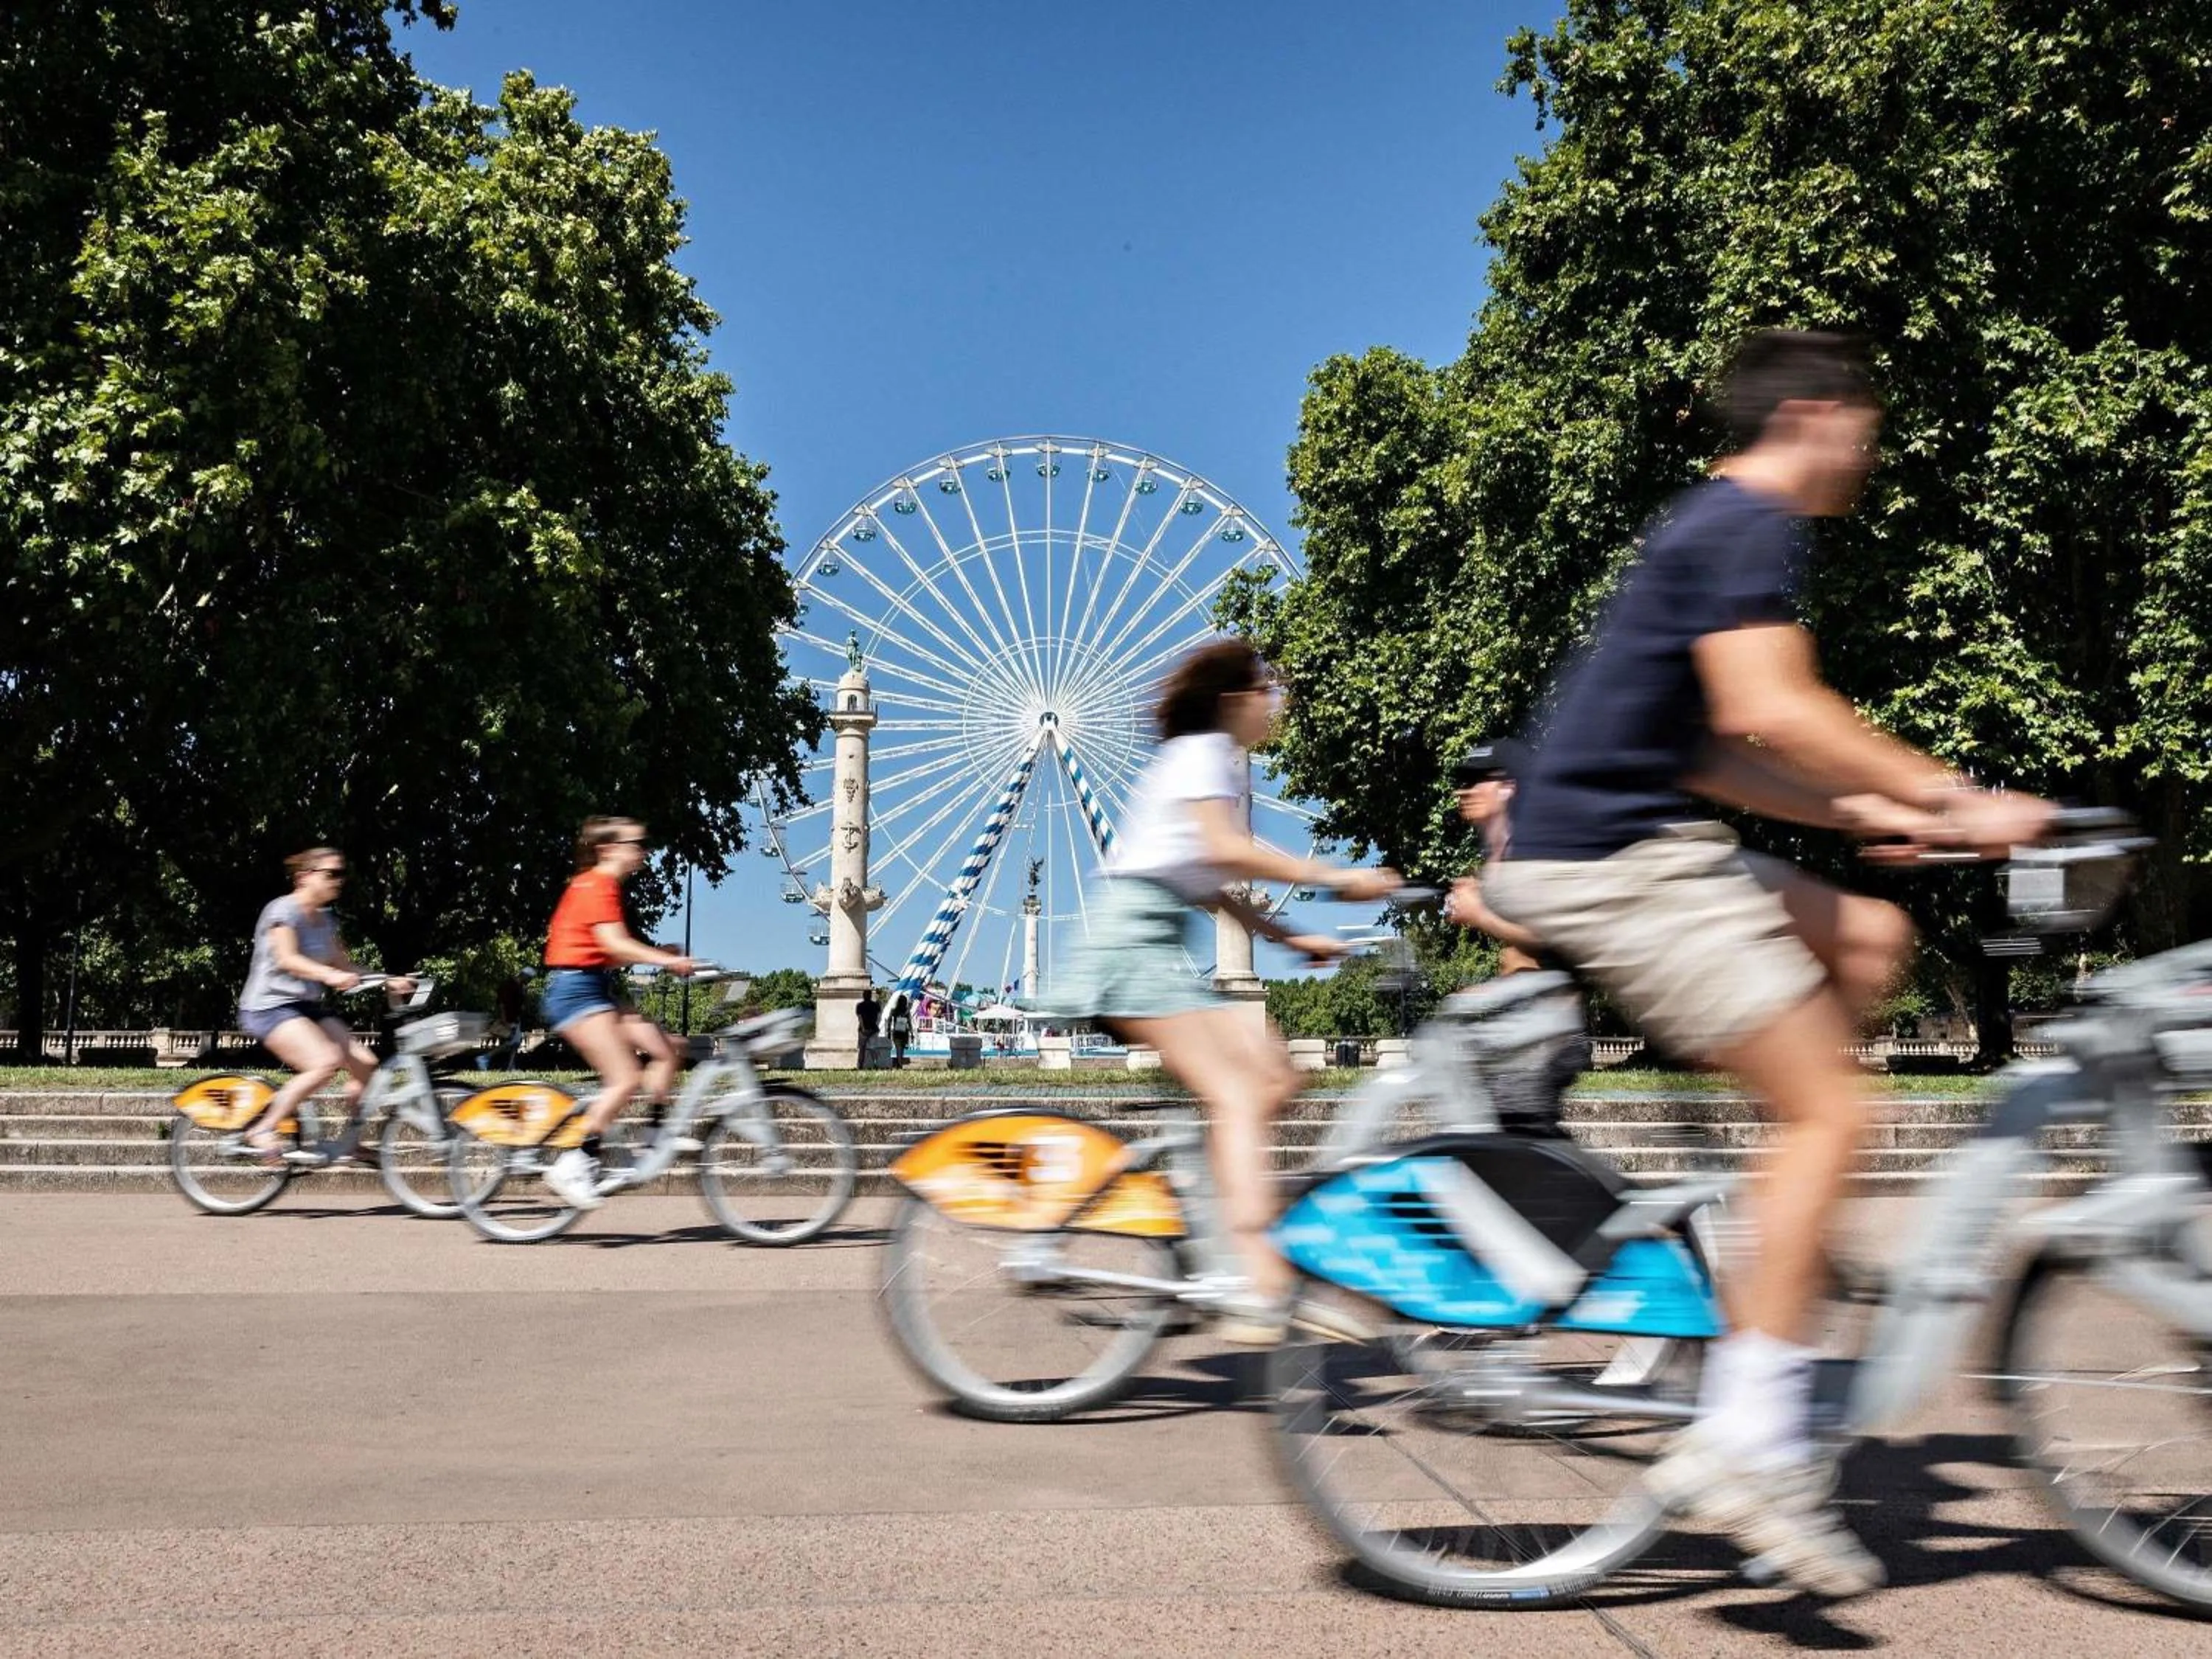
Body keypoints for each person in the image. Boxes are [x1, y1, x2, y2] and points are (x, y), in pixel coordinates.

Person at [1483, 330, 2049, 1596]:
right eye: (1868, 426)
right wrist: (1961, 795)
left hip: (1637, 827)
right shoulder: (1745, 521)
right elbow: (1774, 713)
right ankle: (1749, 1441)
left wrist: (1866, 818)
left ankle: (1772, 1212)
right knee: (1833, 1112)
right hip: (1613, 858)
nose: (1874, 451)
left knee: (1869, 933)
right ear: (1815, 416)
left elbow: (1707, 754)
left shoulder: (1710, 529)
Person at [1057, 638, 1400, 1341]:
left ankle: (1215, 1241)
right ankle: (1256, 1277)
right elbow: (1225, 851)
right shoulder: (1204, 753)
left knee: (1277, 1074)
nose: (1275, 704)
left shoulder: (1204, 762)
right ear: (1232, 702)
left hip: (1156, 942)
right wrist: (1337, 878)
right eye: (1265, 691)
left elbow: (1211, 883)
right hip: (1132, 945)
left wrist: (1290, 937)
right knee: (1239, 1092)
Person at [538, 816, 698, 1210]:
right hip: (575, 992)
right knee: (625, 1078)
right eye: (635, 843)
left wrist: (663, 954)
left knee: (667, 1048)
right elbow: (615, 943)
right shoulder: (596, 884)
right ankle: (573, 1161)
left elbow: (604, 948)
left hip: (596, 986)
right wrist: (663, 960)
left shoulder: (601, 887)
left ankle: (655, 1138)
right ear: (608, 850)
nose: (643, 850)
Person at [236, 847, 413, 1162]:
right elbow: (288, 959)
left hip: (306, 1006)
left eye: (342, 874)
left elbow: (345, 965)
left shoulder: (326, 921)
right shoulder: (283, 911)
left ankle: (350, 1141)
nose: (339, 881)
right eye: (331, 874)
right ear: (305, 877)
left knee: (366, 1064)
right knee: (324, 1063)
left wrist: (388, 979)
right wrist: (328, 975)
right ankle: (263, 1129)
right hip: (269, 1006)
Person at [1445, 740, 1545, 975]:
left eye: (1475, 782)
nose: (1463, 792)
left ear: (1508, 787)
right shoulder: (1493, 857)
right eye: (1463, 783)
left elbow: (1551, 937)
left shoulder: (1532, 849)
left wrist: (1479, 914)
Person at [855, 987, 882, 1067]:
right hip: (873, 1029)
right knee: (873, 1048)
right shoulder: (875, 1005)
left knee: (862, 1049)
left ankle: (860, 1065)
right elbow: (878, 1016)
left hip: (863, 1030)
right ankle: (876, 1063)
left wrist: (863, 1028)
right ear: (870, 996)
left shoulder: (860, 1005)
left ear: (864, 996)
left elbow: (860, 1018)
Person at [886, 992, 914, 1067]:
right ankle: (899, 1063)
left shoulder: (894, 1011)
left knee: (899, 1048)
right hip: (904, 1032)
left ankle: (899, 1063)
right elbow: (909, 1023)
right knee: (901, 1049)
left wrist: (888, 1031)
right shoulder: (906, 1012)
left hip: (897, 1031)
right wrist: (912, 1033)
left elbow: (889, 1020)